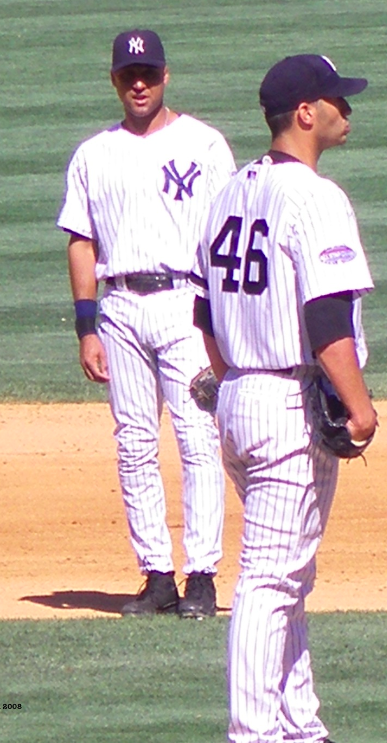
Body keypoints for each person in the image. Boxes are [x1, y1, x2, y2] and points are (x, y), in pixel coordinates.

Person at [191, 54, 377, 741]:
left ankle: (300, 725)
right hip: (284, 404)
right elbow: (326, 321)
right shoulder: (314, 197)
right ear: (305, 113)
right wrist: (357, 406)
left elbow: (203, 311)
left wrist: (234, 380)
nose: (345, 111)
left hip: (238, 396)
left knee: (289, 572)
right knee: (269, 582)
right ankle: (253, 732)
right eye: (336, 100)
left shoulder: (228, 192)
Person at [57, 29, 236, 619]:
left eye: (149, 73)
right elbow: (82, 243)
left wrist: (220, 319)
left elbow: (225, 238)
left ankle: (203, 576)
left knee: (198, 438)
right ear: (114, 80)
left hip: (186, 304)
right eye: (128, 75)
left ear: (166, 76)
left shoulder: (205, 145)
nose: (139, 83)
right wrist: (87, 326)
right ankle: (157, 575)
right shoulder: (93, 155)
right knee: (134, 444)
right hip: (121, 308)